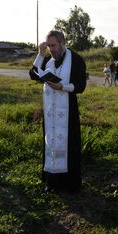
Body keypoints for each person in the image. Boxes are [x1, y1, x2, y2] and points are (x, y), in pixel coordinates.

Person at [29, 30, 87, 193]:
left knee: (70, 145)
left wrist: (62, 87)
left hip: (68, 111)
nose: (51, 49)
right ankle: (52, 182)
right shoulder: (47, 60)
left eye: (53, 46)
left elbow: (80, 86)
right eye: (48, 46)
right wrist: (40, 54)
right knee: (50, 143)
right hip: (50, 113)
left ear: (62, 43)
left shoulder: (76, 60)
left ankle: (70, 185)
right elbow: (33, 74)